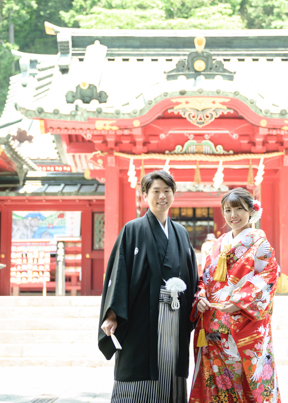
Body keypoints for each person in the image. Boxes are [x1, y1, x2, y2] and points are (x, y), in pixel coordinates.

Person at [98, 170, 198, 403]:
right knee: (139, 364)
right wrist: (113, 313)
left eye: (167, 191)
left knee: (170, 366)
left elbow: (192, 274)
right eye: (156, 191)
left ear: (174, 194)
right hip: (140, 315)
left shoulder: (181, 233)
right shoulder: (132, 229)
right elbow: (119, 272)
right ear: (145, 195)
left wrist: (196, 305)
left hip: (175, 313)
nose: (162, 196)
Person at [189, 188, 281, 403]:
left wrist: (239, 302)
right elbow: (206, 279)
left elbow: (269, 277)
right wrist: (200, 297)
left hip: (242, 324)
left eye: (239, 209)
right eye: (228, 210)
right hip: (214, 326)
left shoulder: (261, 245)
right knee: (219, 382)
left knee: (246, 380)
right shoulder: (217, 245)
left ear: (252, 211)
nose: (233, 215)